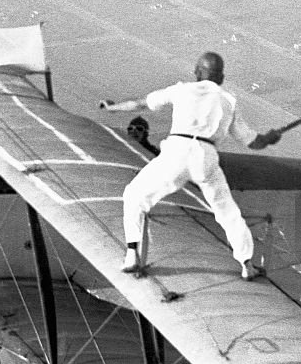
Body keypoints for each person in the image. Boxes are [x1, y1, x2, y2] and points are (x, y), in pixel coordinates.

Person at [100, 52, 282, 280]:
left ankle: (131, 255)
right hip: (206, 156)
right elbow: (253, 142)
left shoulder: (181, 89)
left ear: (197, 72)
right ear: (222, 77)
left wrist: (112, 108)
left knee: (134, 195)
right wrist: (270, 137)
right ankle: (247, 265)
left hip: (177, 150)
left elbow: (141, 104)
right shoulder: (229, 101)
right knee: (228, 212)